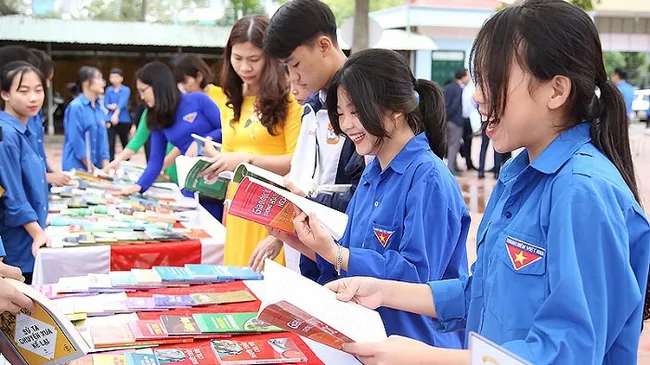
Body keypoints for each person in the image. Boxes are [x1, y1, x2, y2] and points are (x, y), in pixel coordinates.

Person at [324, 1, 650, 363]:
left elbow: (565, 353)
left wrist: (429, 358)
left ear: (556, 91)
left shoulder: (583, 191)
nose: (478, 96)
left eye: (492, 81)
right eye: (477, 80)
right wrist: (381, 291)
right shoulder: (518, 176)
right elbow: (481, 291)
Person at [270, 49, 469, 349]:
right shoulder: (371, 173)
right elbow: (348, 261)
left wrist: (337, 254)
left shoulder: (429, 179)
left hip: (412, 347)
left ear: (395, 108)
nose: (348, 124)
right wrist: (309, 246)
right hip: (365, 339)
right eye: (340, 114)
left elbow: (416, 280)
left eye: (356, 110)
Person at [260, 0, 365, 277]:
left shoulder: (367, 104)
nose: (294, 77)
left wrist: (310, 201)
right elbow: (304, 174)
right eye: (286, 68)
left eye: (295, 64)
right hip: (313, 255)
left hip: (350, 260)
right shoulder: (314, 105)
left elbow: (369, 194)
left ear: (323, 45)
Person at [198, 15, 303, 267]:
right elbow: (235, 151)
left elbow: (297, 162)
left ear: (271, 59)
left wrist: (247, 160)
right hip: (238, 207)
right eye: (238, 58)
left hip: (274, 211)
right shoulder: (231, 98)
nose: (245, 68)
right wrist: (219, 158)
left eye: (254, 59)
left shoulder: (290, 100)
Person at [117, 61, 222, 196]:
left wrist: (201, 142)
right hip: (191, 182)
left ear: (158, 86)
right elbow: (156, 161)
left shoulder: (198, 100)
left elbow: (225, 131)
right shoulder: (157, 119)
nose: (142, 97)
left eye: (143, 90)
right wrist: (138, 186)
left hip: (218, 175)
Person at [0, 61, 50, 284]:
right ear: (5, 94)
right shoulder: (6, 135)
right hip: (20, 242)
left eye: (38, 90)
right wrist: (37, 232)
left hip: (31, 234)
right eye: (23, 91)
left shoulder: (24, 129)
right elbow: (12, 194)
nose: (33, 98)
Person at [103, 108, 179, 184]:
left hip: (178, 170)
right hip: (162, 172)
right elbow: (138, 139)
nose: (142, 98)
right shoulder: (150, 111)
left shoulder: (181, 107)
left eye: (143, 95)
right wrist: (117, 160)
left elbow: (183, 144)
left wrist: (158, 167)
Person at [62, 66, 109, 172]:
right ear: (86, 82)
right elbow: (76, 140)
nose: (103, 83)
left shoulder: (100, 108)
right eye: (99, 78)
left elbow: (103, 139)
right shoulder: (76, 107)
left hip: (96, 168)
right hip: (77, 168)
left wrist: (105, 167)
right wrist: (91, 167)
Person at [444, 68, 470, 175]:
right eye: (468, 76)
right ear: (463, 77)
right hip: (455, 121)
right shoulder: (458, 89)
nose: (469, 78)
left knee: (452, 144)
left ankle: (453, 165)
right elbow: (455, 106)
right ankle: (451, 168)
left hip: (448, 120)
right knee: (454, 145)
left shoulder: (449, 87)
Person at [104, 68, 132, 160]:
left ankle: (126, 162)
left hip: (123, 119)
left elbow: (122, 103)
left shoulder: (126, 89)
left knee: (125, 141)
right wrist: (110, 106)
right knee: (110, 143)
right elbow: (106, 102)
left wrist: (116, 114)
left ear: (121, 78)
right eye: (112, 77)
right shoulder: (108, 90)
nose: (114, 79)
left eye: (116, 77)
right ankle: (111, 162)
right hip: (110, 119)